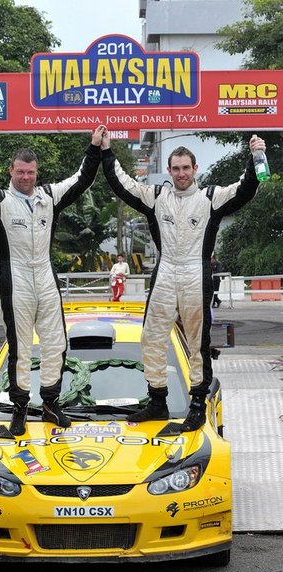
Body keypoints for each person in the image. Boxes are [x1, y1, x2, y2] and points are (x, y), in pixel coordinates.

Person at [101, 128, 265, 431]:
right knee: (150, 338)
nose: (180, 174)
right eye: (175, 169)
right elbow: (122, 186)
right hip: (164, 271)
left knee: (197, 344)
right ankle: (157, 402)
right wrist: (107, 151)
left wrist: (256, 155)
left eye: (185, 168)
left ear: (195, 169)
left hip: (195, 272)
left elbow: (245, 189)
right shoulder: (157, 196)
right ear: (169, 170)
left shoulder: (210, 197)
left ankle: (198, 405)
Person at [0, 127, 104, 435]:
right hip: (15, 277)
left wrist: (94, 148)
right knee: (21, 347)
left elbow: (81, 179)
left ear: (37, 172)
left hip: (45, 277)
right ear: (11, 171)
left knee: (56, 343)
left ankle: (50, 403)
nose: (26, 177)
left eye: (31, 172)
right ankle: (20, 409)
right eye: (20, 172)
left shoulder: (49, 196)